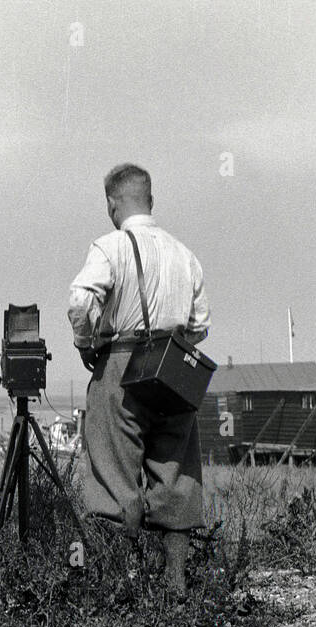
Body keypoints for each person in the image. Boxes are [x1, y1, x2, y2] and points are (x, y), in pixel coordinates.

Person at [66, 163, 210, 592]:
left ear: (113, 203)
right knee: (177, 473)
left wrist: (86, 343)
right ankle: (176, 585)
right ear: (151, 200)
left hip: (122, 362)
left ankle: (123, 585)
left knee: (113, 471)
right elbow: (200, 323)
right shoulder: (184, 253)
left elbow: (79, 302)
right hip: (175, 367)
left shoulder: (109, 247)